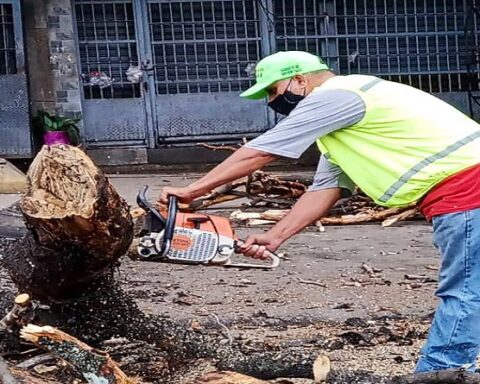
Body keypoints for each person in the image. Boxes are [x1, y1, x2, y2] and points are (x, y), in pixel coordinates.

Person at [159, 51, 480, 373]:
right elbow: (325, 190)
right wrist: (275, 236)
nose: (272, 101)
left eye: (273, 90)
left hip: (467, 190)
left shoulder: (335, 96)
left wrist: (193, 190)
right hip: (463, 190)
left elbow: (262, 151)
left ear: (300, 79)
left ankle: (441, 374)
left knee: (464, 291)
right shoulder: (346, 118)